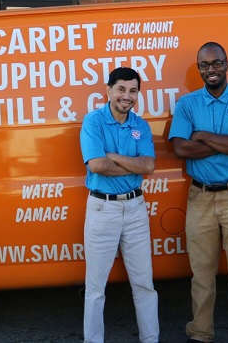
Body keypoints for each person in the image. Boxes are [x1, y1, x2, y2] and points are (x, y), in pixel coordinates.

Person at [169, 42, 228, 343]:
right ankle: (200, 333)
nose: (211, 69)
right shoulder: (187, 105)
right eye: (204, 65)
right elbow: (181, 149)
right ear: (199, 69)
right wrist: (227, 142)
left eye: (217, 63)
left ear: (227, 64)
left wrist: (203, 136)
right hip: (200, 197)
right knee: (201, 276)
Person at [79, 67, 160, 343]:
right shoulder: (94, 121)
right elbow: (97, 165)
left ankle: (151, 339)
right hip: (103, 209)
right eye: (121, 89)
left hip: (135, 208)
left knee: (144, 284)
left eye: (133, 90)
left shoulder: (140, 126)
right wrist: (130, 165)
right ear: (109, 90)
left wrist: (113, 155)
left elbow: (148, 166)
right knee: (95, 288)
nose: (127, 96)